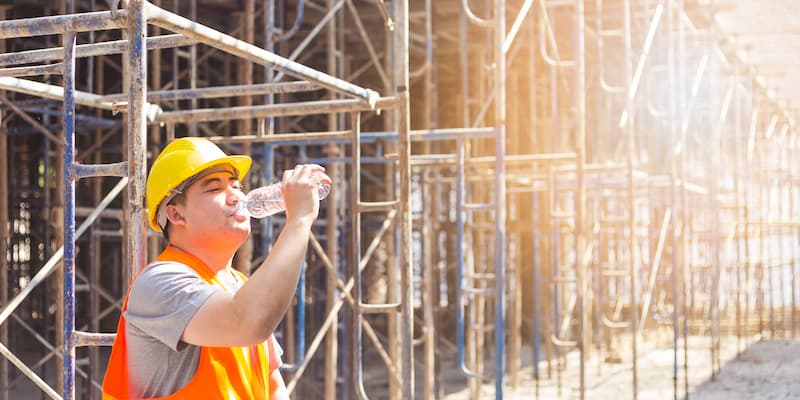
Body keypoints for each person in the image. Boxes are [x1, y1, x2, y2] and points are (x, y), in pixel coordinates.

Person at [102, 137, 331, 400]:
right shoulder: (158, 282)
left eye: (236, 185)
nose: (236, 196)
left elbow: (273, 387)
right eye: (214, 189)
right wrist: (299, 220)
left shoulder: (239, 286)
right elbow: (246, 322)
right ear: (177, 215)